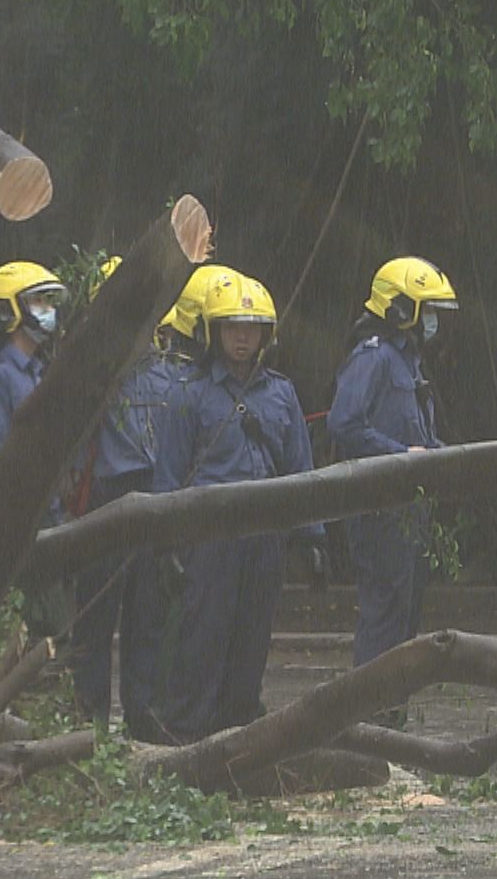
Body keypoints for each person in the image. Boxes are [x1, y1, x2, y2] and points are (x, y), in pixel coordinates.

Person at [151, 270, 322, 743]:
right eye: (232, 327)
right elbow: (168, 476)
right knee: (203, 638)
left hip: (266, 537)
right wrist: (165, 546)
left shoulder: (281, 393)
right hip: (210, 536)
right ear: (214, 331)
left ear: (266, 334)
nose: (242, 338)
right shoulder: (188, 393)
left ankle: (240, 739)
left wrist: (313, 538)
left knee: (252, 639)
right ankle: (187, 738)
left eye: (252, 328)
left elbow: (301, 469)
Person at [68, 262, 233, 739]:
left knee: (148, 613)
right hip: (106, 497)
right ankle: (89, 719)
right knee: (95, 614)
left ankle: (142, 715)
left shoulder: (170, 371)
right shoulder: (90, 372)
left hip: (155, 493)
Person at [328, 256, 459, 675]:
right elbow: (344, 423)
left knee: (406, 611)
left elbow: (418, 433)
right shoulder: (374, 357)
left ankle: (393, 703)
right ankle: (371, 704)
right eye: (428, 310)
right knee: (385, 610)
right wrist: (399, 456)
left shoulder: (408, 360)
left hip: (410, 507)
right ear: (403, 309)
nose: (434, 321)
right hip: (379, 508)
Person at [0, 261, 71, 635]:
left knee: (55, 633)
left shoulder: (40, 372)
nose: (48, 310)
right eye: (38, 301)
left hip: (45, 519)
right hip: (8, 531)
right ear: (8, 312)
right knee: (18, 637)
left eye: (49, 301)